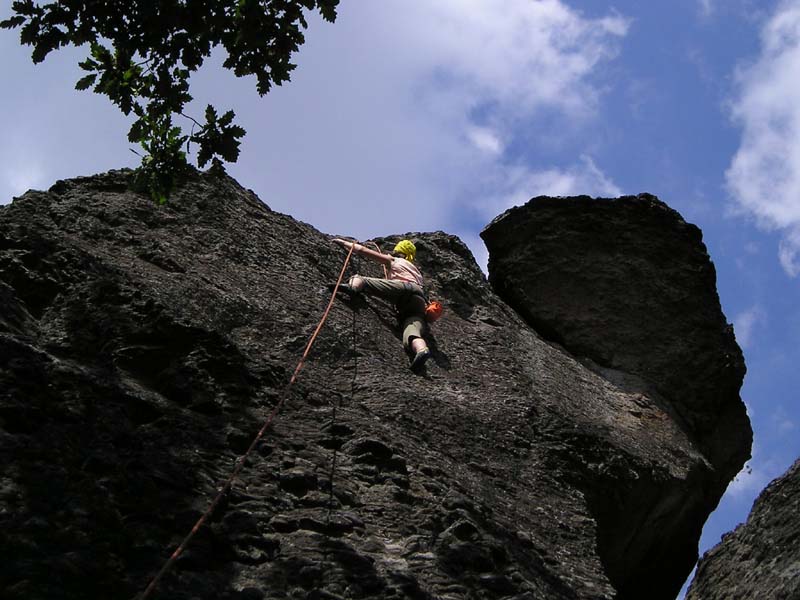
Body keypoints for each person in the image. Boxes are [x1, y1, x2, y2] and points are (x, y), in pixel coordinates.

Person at [331, 238, 431, 371]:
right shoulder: (416, 271)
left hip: (402, 288)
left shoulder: (395, 260)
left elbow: (362, 250)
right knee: (412, 332)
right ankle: (422, 350)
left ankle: (353, 288)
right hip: (419, 300)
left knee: (360, 278)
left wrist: (343, 243)